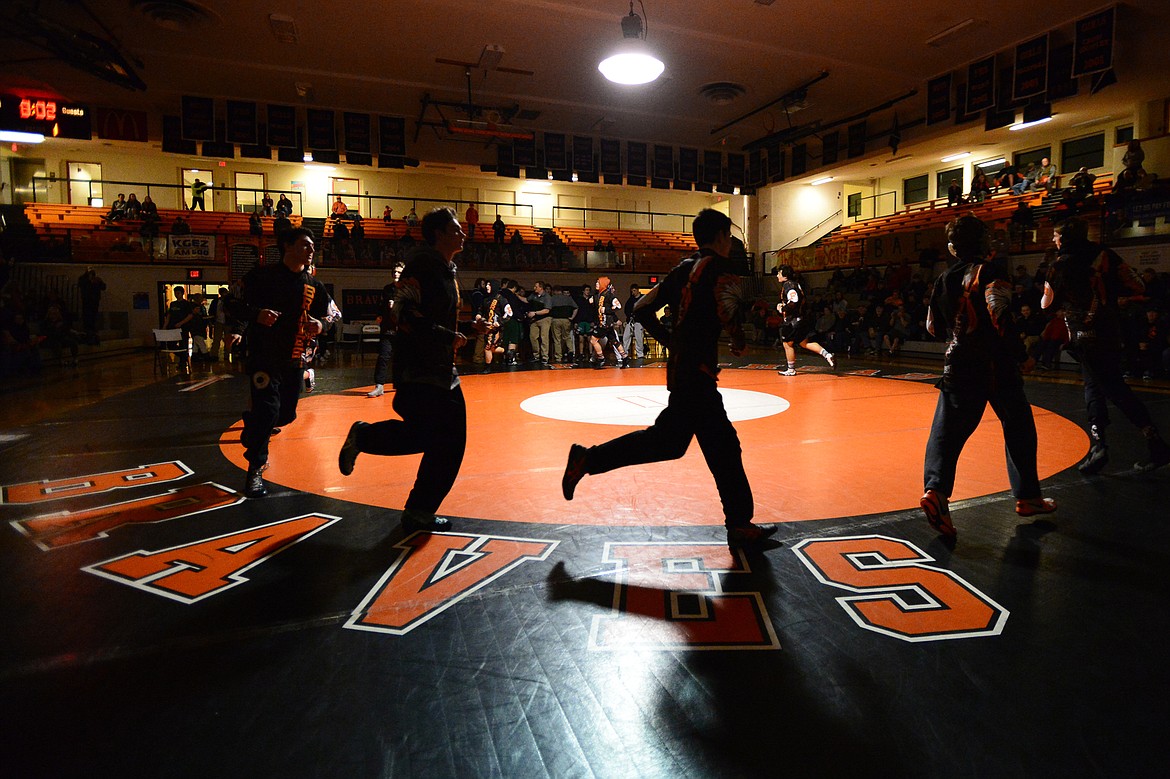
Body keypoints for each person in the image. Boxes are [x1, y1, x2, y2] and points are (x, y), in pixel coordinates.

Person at [561, 209, 776, 547]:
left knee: (674, 443)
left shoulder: (683, 269)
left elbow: (641, 308)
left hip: (683, 369)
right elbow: (729, 312)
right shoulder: (720, 270)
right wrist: (737, 337)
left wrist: (670, 341)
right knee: (720, 446)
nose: (733, 242)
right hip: (698, 374)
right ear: (722, 237)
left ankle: (589, 459)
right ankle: (739, 524)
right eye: (730, 236)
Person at [338, 207, 487, 532]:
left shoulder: (446, 268)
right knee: (438, 438)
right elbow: (402, 312)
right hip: (419, 369)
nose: (463, 233)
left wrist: (468, 329)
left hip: (441, 368)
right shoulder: (423, 265)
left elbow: (436, 318)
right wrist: (447, 336)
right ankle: (366, 437)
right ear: (438, 234)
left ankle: (419, 509)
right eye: (456, 229)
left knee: (448, 440)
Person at [920, 215, 1057, 538]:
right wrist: (1021, 355)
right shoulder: (991, 272)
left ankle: (935, 492)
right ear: (985, 244)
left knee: (947, 433)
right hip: (996, 367)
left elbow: (932, 327)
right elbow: (1000, 317)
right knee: (1019, 424)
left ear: (953, 249)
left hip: (957, 364)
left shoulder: (943, 279)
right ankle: (1028, 497)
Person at [1040, 217, 1170, 474]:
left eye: (1056, 235)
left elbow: (1046, 305)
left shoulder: (1059, 265)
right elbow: (1138, 284)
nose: (1053, 240)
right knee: (1095, 385)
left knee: (1111, 387)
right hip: (1109, 330)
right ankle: (1099, 445)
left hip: (1083, 332)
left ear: (1064, 237)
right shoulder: (1105, 255)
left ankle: (1154, 443)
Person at [227, 227, 336, 498]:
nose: (311, 251)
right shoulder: (261, 277)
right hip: (264, 356)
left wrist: (319, 326)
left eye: (313, 247)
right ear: (287, 246)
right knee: (267, 409)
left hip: (295, 358)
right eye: (305, 245)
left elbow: (331, 317)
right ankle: (255, 469)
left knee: (285, 414)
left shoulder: (314, 285)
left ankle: (253, 429)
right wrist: (255, 316)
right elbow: (232, 303)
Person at [774, 264, 834, 375]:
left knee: (787, 344)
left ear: (784, 275)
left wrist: (783, 308)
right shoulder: (796, 284)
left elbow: (794, 300)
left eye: (779, 273)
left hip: (792, 321)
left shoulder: (788, 285)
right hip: (801, 319)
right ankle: (827, 355)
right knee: (804, 343)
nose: (777, 275)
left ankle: (791, 369)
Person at [368, 263, 404, 397]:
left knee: (401, 358)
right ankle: (379, 385)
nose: (396, 274)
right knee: (383, 356)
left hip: (403, 329)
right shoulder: (387, 289)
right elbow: (381, 305)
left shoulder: (408, 290)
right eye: (394, 271)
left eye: (399, 272)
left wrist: (397, 306)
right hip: (388, 328)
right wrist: (380, 315)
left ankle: (400, 383)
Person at [78, 267, 106, 345]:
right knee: (87, 316)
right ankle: (88, 331)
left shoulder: (97, 279)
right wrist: (89, 282)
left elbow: (104, 287)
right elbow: (81, 285)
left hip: (95, 301)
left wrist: (99, 282)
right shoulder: (83, 279)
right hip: (87, 301)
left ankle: (93, 331)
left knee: (93, 316)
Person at [527, 281, 553, 364]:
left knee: (544, 337)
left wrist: (534, 313)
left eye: (536, 286)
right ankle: (536, 355)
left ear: (541, 287)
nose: (534, 288)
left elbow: (547, 310)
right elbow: (526, 300)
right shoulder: (533, 295)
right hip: (535, 320)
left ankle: (545, 357)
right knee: (533, 337)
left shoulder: (547, 297)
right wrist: (517, 296)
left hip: (544, 319)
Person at [622, 283, 645, 360]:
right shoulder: (630, 299)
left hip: (639, 321)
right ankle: (624, 353)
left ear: (638, 290)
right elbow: (626, 309)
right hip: (630, 320)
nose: (633, 293)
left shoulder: (642, 298)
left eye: (634, 291)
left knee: (639, 338)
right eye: (632, 291)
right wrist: (630, 316)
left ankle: (640, 354)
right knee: (626, 337)